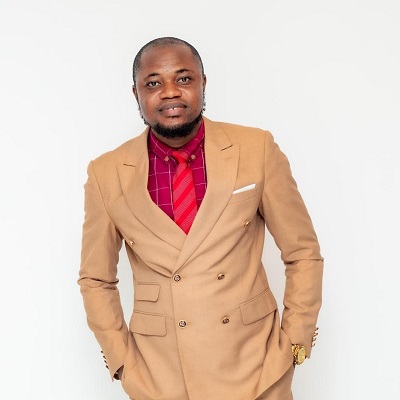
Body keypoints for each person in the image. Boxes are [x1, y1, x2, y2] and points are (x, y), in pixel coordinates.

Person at [78, 36, 323, 400]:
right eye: (153, 83)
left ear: (203, 82)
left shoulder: (256, 149)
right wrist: (122, 361)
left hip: (257, 368)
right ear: (136, 93)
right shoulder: (106, 173)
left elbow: (302, 253)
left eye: (184, 78)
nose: (170, 92)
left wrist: (294, 342)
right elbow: (96, 278)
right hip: (160, 377)